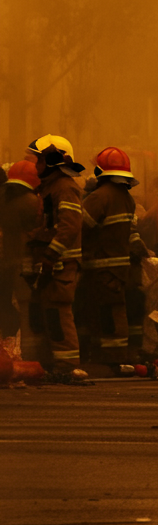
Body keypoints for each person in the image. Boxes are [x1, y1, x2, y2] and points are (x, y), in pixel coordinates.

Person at [77, 148, 147, 373]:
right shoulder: (126, 198)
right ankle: (115, 355)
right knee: (114, 310)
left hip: (100, 267)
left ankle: (108, 358)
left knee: (103, 313)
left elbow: (80, 228)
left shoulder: (99, 197)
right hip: (119, 267)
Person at [22, 135, 85, 372]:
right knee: (44, 314)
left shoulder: (65, 188)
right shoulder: (49, 188)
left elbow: (70, 226)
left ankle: (67, 365)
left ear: (53, 161)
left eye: (40, 160)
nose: (36, 165)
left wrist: (50, 255)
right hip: (49, 264)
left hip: (61, 264)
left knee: (58, 313)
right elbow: (46, 226)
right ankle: (47, 364)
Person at [0, 160, 41, 341]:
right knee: (25, 307)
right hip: (23, 262)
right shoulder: (32, 201)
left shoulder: (3, 197)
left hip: (4, 259)